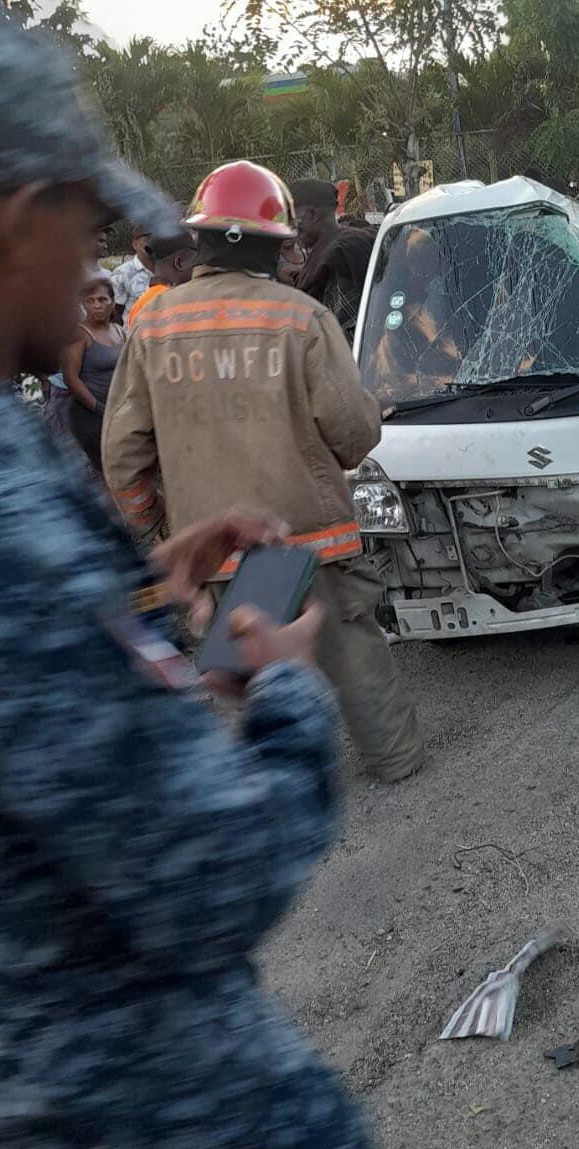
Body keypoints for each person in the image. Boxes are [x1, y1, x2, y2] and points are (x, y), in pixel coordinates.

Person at [0, 9, 391, 1149]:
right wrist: (285, 691)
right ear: (9, 225)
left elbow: (121, 466)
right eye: (83, 225)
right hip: (172, 1132)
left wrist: (148, 578)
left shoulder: (81, 373)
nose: (92, 261)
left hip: (50, 1110)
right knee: (342, 674)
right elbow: (212, 877)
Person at [103, 160, 425, 784]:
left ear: (198, 240)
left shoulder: (152, 328)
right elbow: (354, 436)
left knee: (242, 678)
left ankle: (263, 793)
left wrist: (161, 529)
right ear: (277, 244)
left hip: (215, 552)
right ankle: (398, 767)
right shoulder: (301, 319)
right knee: (355, 658)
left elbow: (123, 457)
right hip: (313, 542)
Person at [291, 178, 378, 342]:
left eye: (293, 218)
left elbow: (347, 334)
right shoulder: (352, 240)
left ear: (311, 214)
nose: (290, 227)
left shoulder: (338, 255)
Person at [61, 272, 124, 474]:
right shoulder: (80, 334)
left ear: (113, 303)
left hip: (117, 411)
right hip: (91, 414)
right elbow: (70, 378)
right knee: (106, 472)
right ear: (84, 305)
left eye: (102, 299)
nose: (97, 305)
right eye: (90, 301)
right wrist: (99, 409)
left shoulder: (119, 331)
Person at [127, 229, 197, 329]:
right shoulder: (176, 301)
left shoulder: (142, 303)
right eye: (194, 261)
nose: (196, 268)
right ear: (179, 262)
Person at [110, 220, 152, 322]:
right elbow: (115, 313)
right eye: (146, 239)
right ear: (135, 244)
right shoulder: (122, 273)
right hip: (132, 335)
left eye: (155, 239)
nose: (151, 243)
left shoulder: (166, 270)